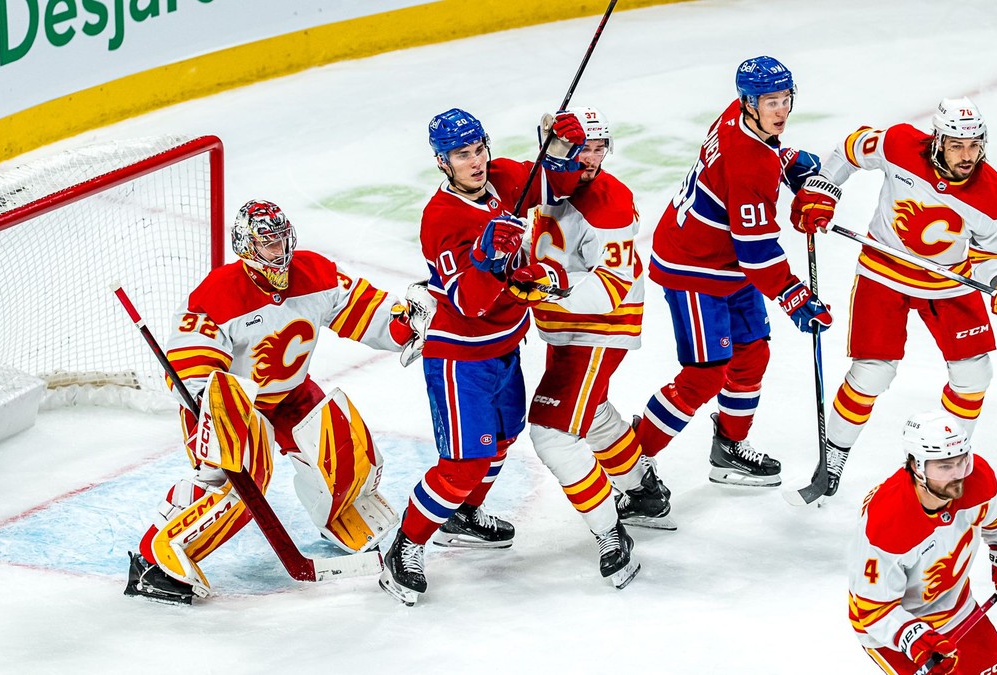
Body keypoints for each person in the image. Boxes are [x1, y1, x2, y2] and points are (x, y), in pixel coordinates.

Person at [125, 200, 420, 605]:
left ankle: (336, 517)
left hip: (290, 393)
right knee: (235, 486)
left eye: (282, 240)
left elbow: (361, 308)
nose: (278, 252)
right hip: (232, 405)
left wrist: (404, 325)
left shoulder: (313, 273)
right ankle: (158, 556)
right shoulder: (219, 293)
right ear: (247, 248)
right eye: (267, 243)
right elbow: (194, 361)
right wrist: (203, 401)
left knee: (350, 453)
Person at [379, 107, 588, 606]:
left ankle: (462, 514)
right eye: (461, 155)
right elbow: (470, 304)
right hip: (460, 358)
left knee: (503, 438)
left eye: (478, 150)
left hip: (505, 345)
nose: (475, 162)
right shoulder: (442, 218)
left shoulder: (502, 177)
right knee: (461, 464)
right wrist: (486, 258)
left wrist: (560, 149)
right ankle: (404, 546)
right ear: (442, 162)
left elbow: (556, 186)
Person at [790, 97, 997, 498]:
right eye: (956, 145)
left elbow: (991, 256)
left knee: (974, 375)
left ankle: (948, 465)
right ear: (937, 140)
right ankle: (831, 459)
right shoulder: (900, 145)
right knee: (872, 373)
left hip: (949, 283)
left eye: (974, 145)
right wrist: (822, 189)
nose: (966, 155)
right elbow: (850, 149)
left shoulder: (994, 196)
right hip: (885, 272)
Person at [637, 55, 832, 488]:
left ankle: (728, 449)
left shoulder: (738, 117)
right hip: (692, 265)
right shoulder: (750, 165)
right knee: (706, 373)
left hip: (725, 261)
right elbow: (757, 250)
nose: (781, 110)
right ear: (748, 102)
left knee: (752, 354)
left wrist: (788, 160)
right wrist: (795, 296)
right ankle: (631, 462)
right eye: (770, 102)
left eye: (786, 99)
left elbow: (761, 161)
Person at [522, 105, 669, 590]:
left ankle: (611, 534)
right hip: (566, 324)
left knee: (553, 432)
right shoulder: (547, 181)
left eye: (599, 146)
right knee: (591, 408)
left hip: (597, 327)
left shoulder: (608, 201)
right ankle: (642, 491)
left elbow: (610, 288)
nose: (591, 157)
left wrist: (544, 286)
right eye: (581, 146)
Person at [847, 410, 997, 674]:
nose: (958, 474)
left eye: (962, 461)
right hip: (892, 629)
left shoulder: (979, 479)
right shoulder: (888, 522)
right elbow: (873, 610)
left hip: (955, 607)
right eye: (944, 466)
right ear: (917, 466)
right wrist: (916, 640)